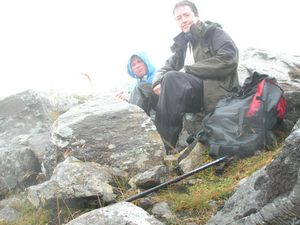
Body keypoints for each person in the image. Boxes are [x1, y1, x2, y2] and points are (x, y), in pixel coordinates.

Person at [152, 0, 240, 154]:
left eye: (186, 15)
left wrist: (188, 70)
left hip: (217, 90)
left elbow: (229, 59)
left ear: (197, 15)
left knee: (172, 79)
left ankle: (166, 146)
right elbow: (166, 67)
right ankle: (146, 140)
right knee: (150, 87)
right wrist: (157, 82)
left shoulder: (213, 33)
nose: (183, 20)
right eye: (178, 18)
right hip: (196, 93)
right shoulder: (184, 45)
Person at [117, 51, 158, 116]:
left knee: (140, 87)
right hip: (154, 117)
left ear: (146, 62)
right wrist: (127, 102)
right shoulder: (137, 84)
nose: (137, 66)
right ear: (131, 70)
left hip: (165, 109)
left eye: (140, 61)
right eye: (133, 65)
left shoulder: (159, 75)